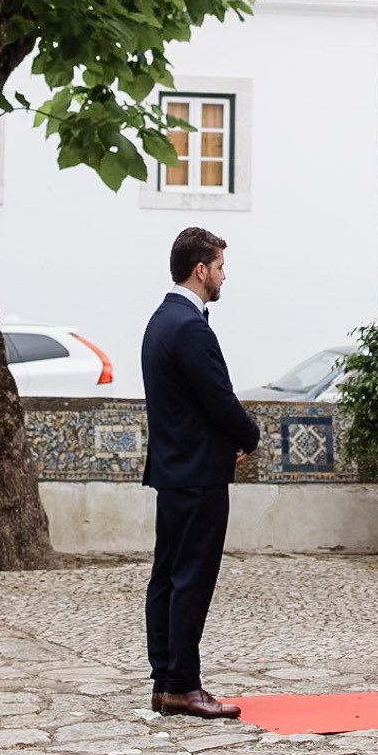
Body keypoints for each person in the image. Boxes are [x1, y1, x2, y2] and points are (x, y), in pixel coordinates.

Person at [141, 226, 260, 719]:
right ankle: (184, 686)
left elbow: (186, 405)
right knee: (190, 579)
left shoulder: (158, 320)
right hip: (197, 476)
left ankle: (166, 680)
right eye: (220, 267)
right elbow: (217, 398)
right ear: (201, 270)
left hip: (174, 471)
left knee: (168, 577)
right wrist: (248, 437)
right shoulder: (190, 327)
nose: (223, 276)